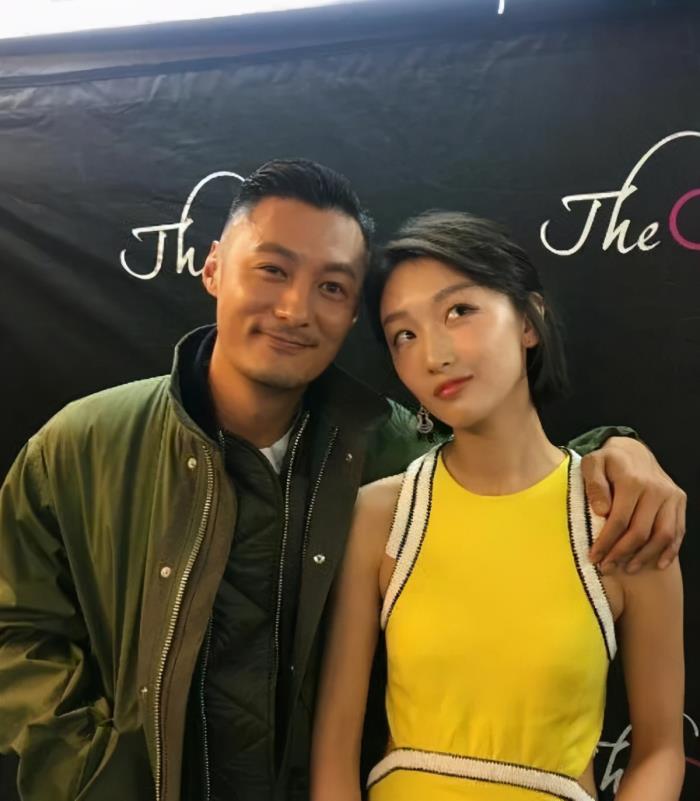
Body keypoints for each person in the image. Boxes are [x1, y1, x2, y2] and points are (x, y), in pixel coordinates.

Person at [0, 162, 686, 801]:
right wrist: (91, 770)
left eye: (331, 287)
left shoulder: (381, 443)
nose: (296, 309)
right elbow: (15, 625)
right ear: (212, 266)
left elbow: (505, 478)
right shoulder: (84, 443)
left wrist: (617, 450)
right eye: (272, 270)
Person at [310, 211, 686, 801]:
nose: (433, 354)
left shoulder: (623, 518)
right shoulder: (382, 515)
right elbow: (333, 748)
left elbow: (661, 750)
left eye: (459, 311)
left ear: (529, 321)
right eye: (404, 335)